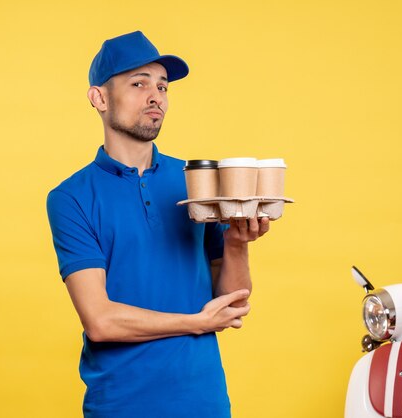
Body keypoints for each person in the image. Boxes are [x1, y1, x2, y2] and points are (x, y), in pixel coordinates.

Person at [46, 31, 269, 418]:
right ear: (99, 98)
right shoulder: (71, 198)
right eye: (138, 84)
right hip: (120, 406)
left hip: (205, 403)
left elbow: (233, 304)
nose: (156, 97)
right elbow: (100, 320)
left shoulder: (196, 182)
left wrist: (236, 243)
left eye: (163, 87)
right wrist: (195, 323)